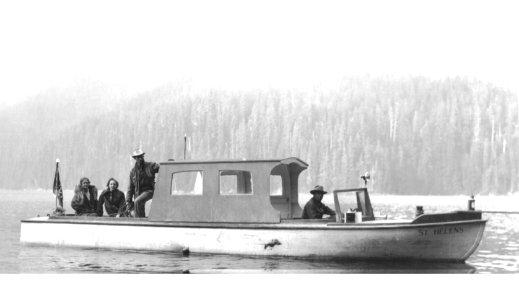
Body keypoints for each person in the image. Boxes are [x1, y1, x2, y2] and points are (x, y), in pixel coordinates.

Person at [126, 148, 160, 218]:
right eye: (138, 157)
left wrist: (168, 164)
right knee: (136, 206)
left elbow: (161, 168)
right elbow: (130, 188)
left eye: (141, 156)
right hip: (138, 193)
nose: (140, 158)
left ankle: (139, 223)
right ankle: (140, 221)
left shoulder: (150, 165)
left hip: (150, 191)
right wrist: (128, 202)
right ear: (135, 158)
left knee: (137, 201)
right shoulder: (133, 172)